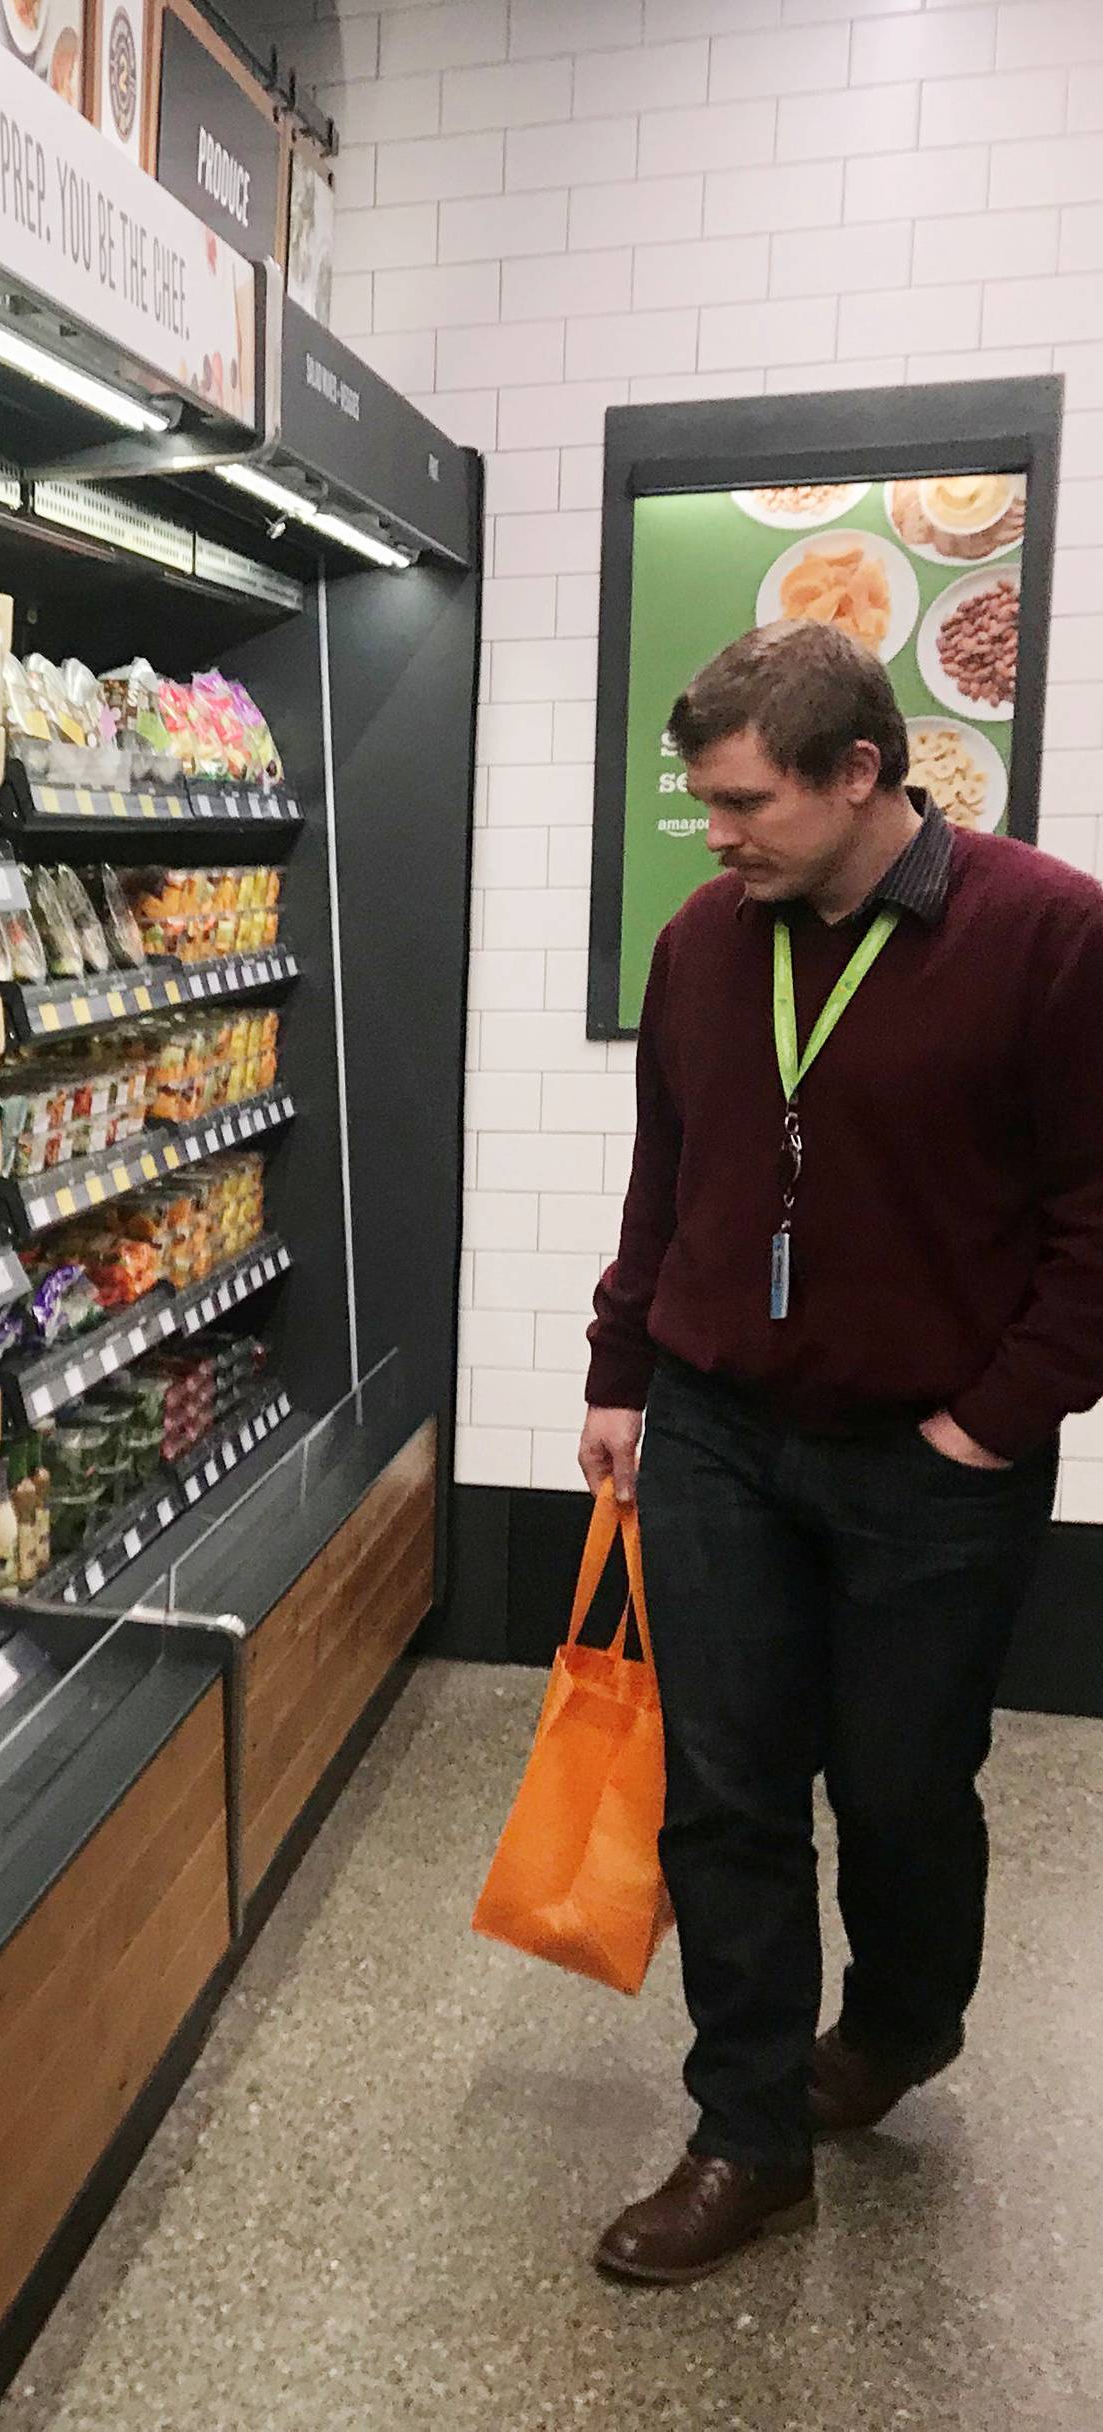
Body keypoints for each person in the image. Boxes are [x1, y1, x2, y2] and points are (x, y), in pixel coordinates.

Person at [579, 619, 1103, 2287]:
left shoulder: (1049, 934)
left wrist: (988, 1422)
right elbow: (667, 1174)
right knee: (725, 1795)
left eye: (743, 804)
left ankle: (899, 2024)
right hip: (722, 1432)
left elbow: (1100, 1225)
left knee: (897, 1792)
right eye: (705, 802)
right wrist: (622, 1367)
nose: (714, 835)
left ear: (862, 772)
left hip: (930, 1464)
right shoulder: (702, 940)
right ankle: (748, 2136)